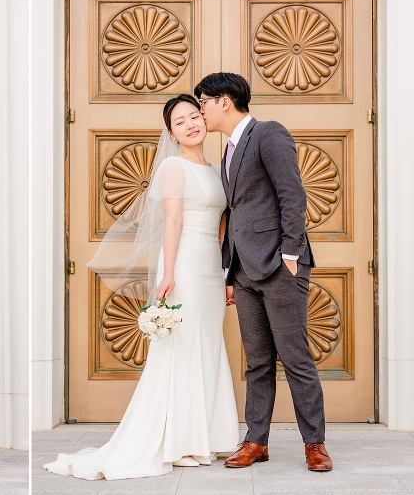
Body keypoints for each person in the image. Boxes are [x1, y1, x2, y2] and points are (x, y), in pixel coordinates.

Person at [44, 95, 240, 480]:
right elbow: (172, 222)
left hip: (210, 269)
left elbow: (222, 226)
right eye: (179, 121)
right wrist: (167, 273)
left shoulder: (219, 170)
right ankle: (176, 442)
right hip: (182, 264)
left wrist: (225, 273)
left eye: (194, 116)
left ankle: (204, 438)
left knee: (207, 345)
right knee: (181, 349)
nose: (190, 125)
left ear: (205, 118)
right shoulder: (172, 167)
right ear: (171, 132)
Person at [195, 72, 332, 472]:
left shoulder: (268, 132)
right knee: (257, 362)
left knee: (295, 357)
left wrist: (291, 252)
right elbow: (235, 212)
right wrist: (229, 269)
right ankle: (256, 441)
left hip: (279, 264)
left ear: (224, 101)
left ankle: (315, 444)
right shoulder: (228, 150)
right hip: (244, 269)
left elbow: (292, 193)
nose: (201, 110)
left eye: (204, 101)